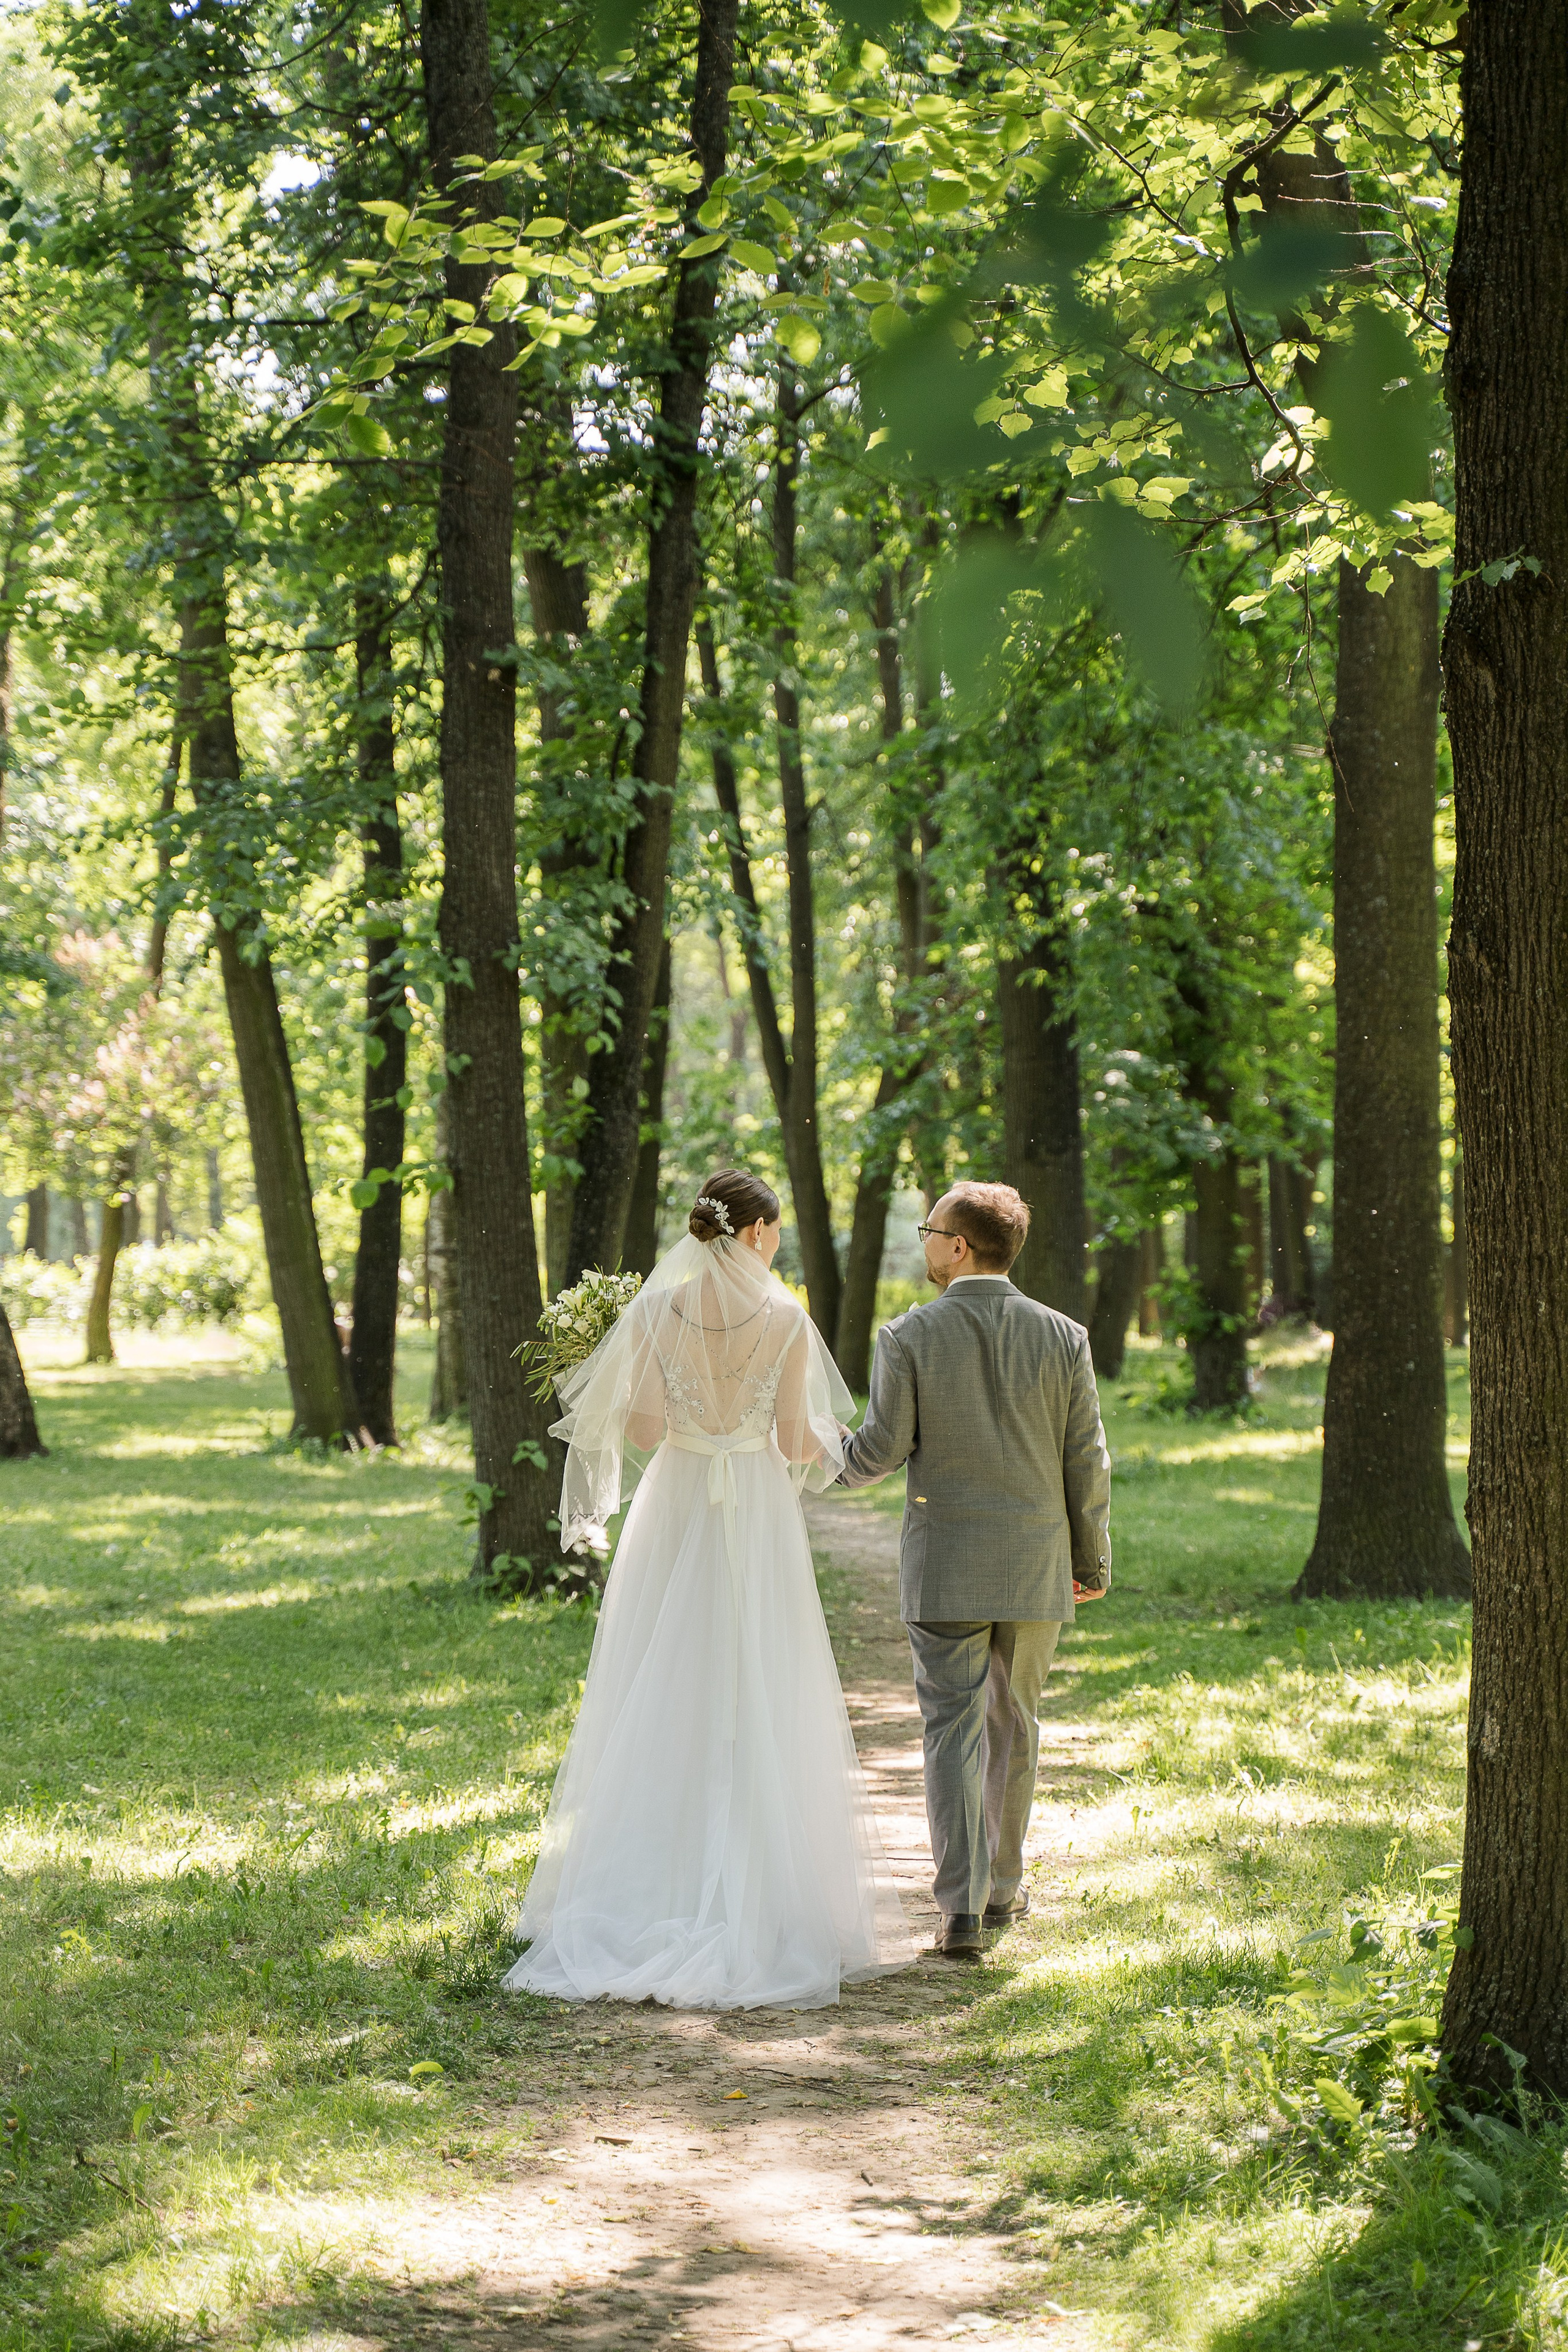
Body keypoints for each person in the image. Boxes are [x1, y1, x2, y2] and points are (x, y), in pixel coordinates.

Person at [505, 1168, 911, 2010]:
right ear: (758, 1234)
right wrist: (824, 1438)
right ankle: (761, 1891)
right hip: (755, 1509)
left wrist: (617, 1377)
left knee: (663, 1675)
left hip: (680, 1502)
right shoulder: (788, 1318)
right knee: (760, 1677)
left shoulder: (655, 1313)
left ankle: (644, 1883)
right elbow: (800, 1443)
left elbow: (648, 1430)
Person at [839, 1180, 1112, 1959]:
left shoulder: (908, 1336)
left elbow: (878, 1453)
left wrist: (815, 1455)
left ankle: (958, 1908)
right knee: (1014, 1726)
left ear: (958, 1247)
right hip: (1036, 1565)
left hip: (944, 1567)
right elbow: (1086, 1457)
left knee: (948, 1732)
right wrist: (1089, 1554)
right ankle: (1000, 1890)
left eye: (930, 1230)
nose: (925, 1242)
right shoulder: (1064, 1336)